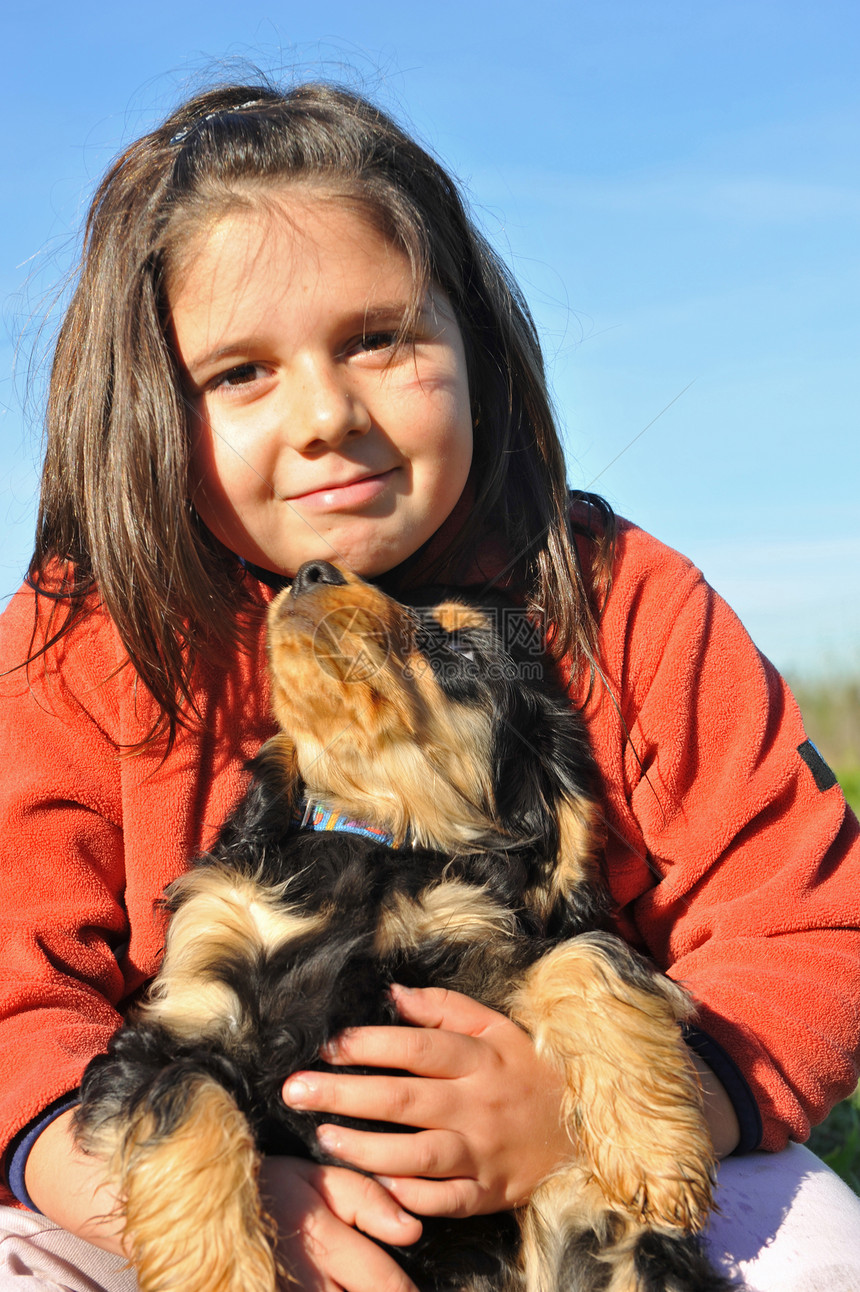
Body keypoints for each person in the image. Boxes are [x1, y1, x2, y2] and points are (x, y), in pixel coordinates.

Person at [0, 80, 858, 1292]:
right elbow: (14, 991)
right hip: (179, 1173)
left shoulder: (617, 597)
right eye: (239, 372)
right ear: (146, 406)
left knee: (824, 1255)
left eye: (377, 337)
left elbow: (808, 914)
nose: (325, 416)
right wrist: (213, 1198)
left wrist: (615, 1107)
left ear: (473, 339)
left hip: (586, 1142)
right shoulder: (84, 642)